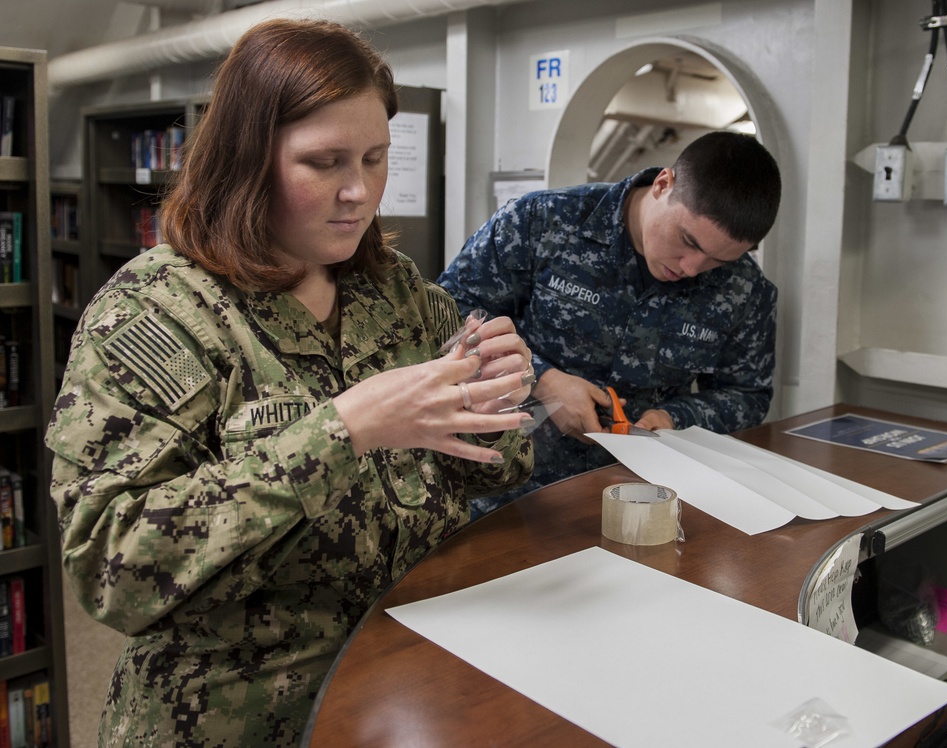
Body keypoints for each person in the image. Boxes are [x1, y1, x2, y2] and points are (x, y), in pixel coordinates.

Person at [45, 18, 535, 747]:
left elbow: (485, 473)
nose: (358, 192)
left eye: (374, 159)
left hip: (403, 695)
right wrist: (342, 431)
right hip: (233, 722)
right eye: (323, 162)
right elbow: (114, 570)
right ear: (246, 160)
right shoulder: (155, 313)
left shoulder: (396, 291)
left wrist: (495, 398)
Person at [438, 131, 781, 518]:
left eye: (717, 261)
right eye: (688, 241)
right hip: (507, 487)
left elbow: (747, 394)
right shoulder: (543, 222)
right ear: (663, 184)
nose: (690, 269)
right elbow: (447, 314)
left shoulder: (746, 290)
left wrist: (675, 418)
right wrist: (541, 379)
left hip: (645, 499)